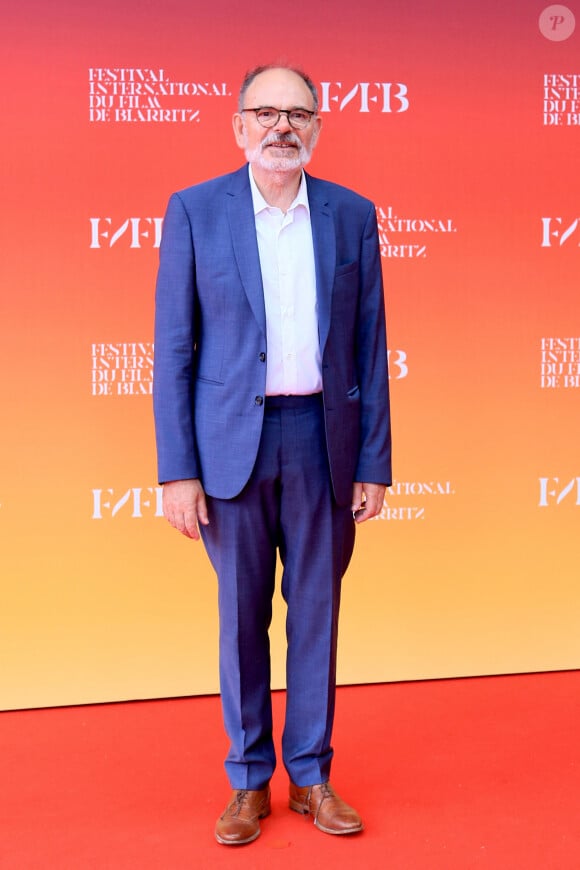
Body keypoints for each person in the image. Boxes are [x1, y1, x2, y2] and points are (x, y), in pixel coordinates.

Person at [153, 63, 392, 846]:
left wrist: (372, 462)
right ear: (238, 125)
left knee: (317, 617)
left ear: (318, 127)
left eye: (298, 112)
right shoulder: (194, 211)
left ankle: (313, 777)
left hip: (325, 441)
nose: (281, 125)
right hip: (230, 449)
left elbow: (368, 346)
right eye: (265, 112)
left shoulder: (352, 216)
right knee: (239, 620)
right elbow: (175, 350)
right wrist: (177, 469)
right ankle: (248, 782)